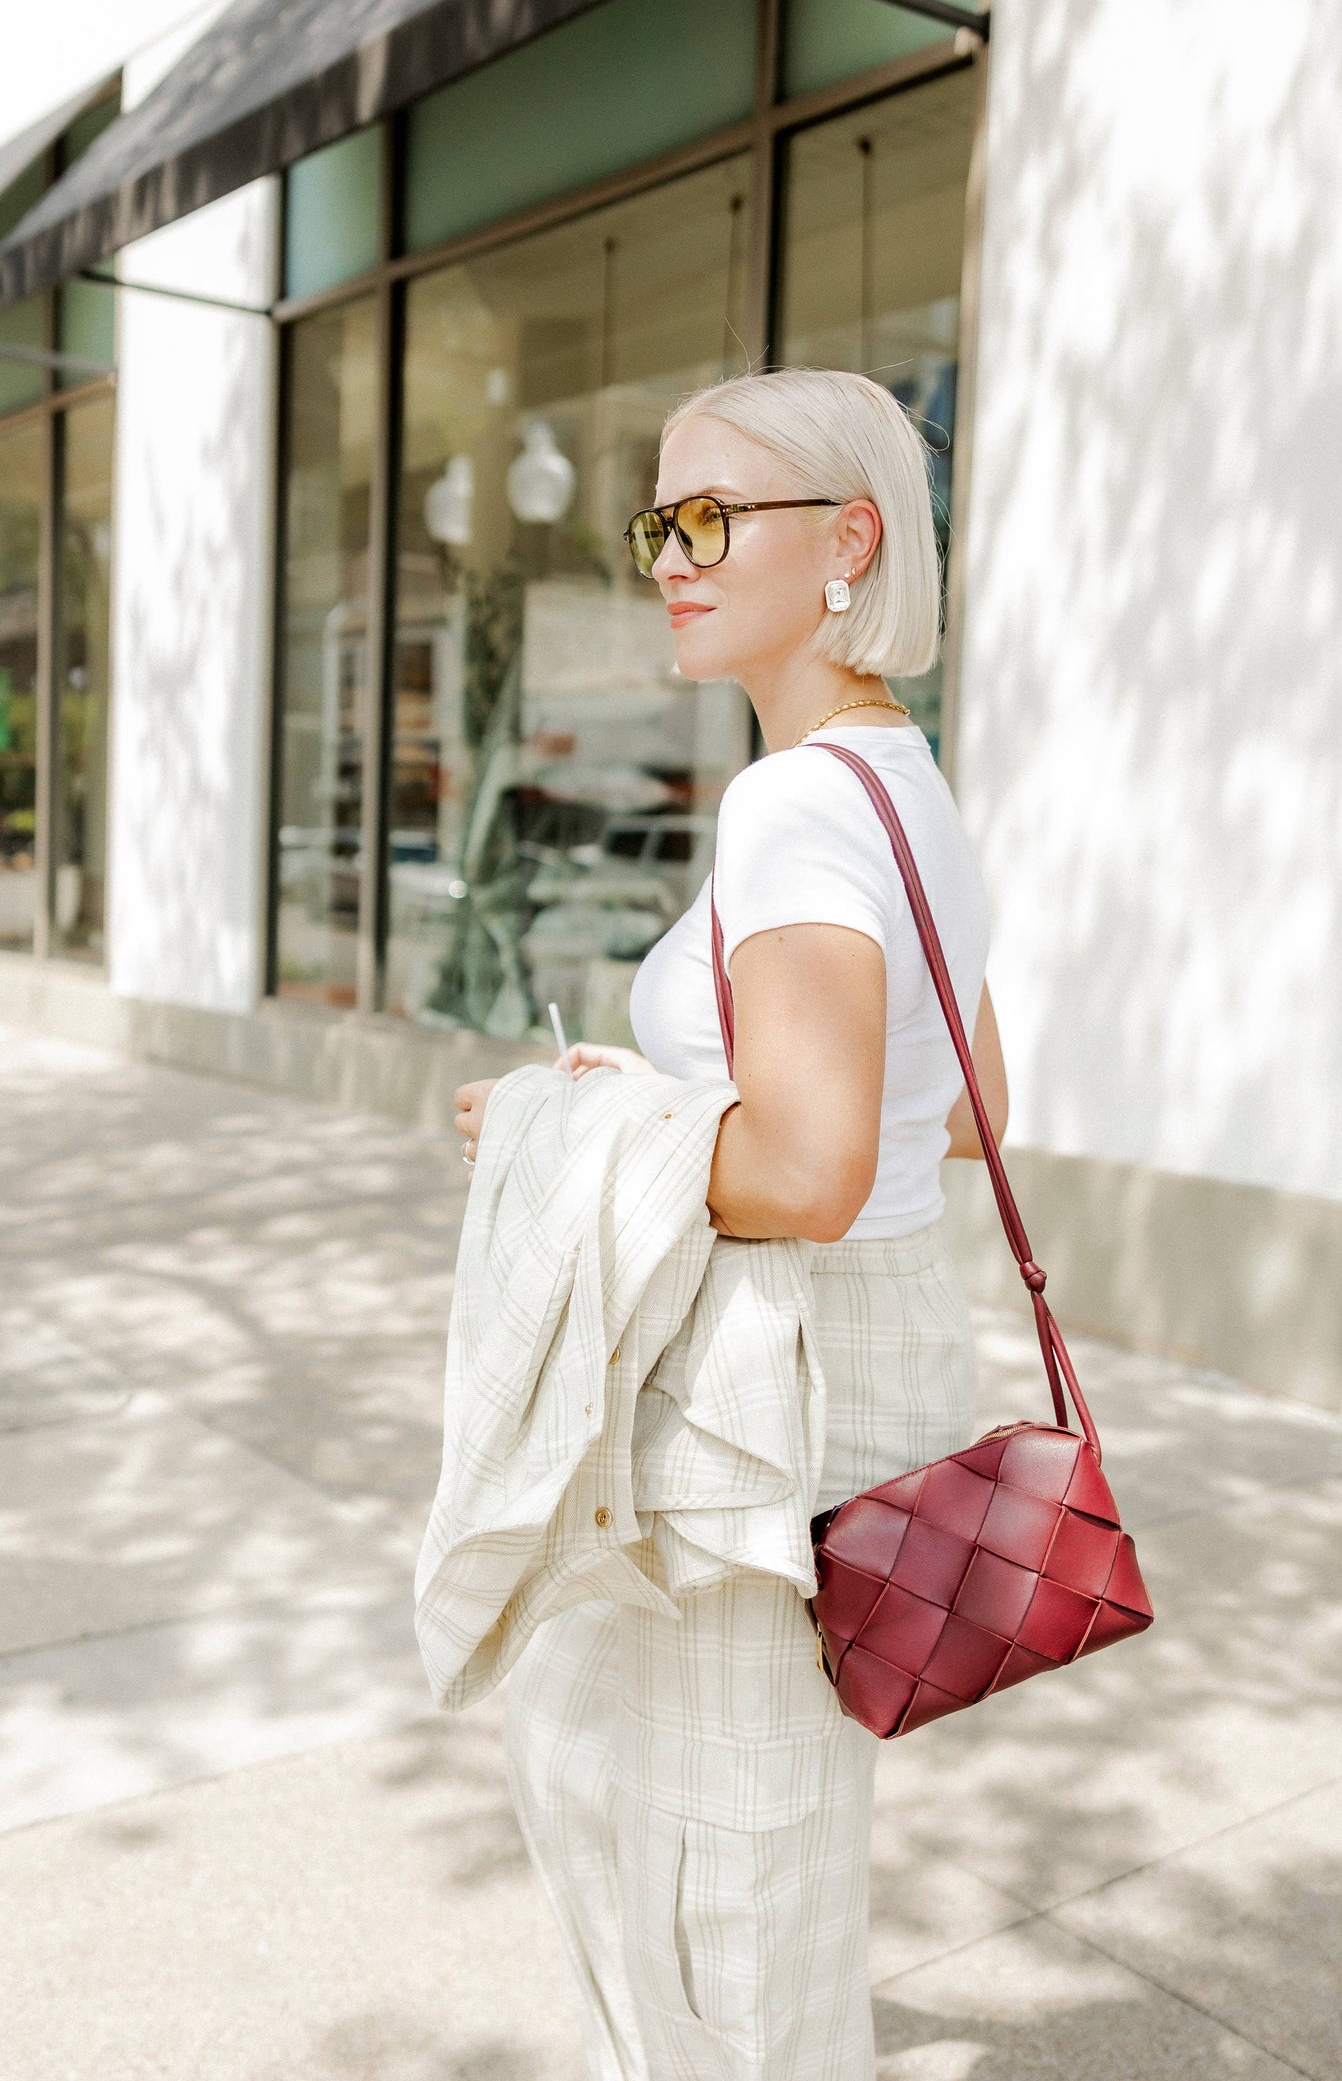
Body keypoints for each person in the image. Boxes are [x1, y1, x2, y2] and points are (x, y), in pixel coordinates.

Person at [451, 367, 1006, 2079]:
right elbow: (976, 1105)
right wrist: (685, 1092)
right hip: (858, 1401)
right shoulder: (908, 790)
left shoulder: (790, 807)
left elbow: (812, 1172)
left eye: (710, 520)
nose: (669, 559)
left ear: (847, 542)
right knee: (757, 1854)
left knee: (711, 1885)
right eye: (655, 523)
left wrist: (570, 1119)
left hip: (758, 1427)